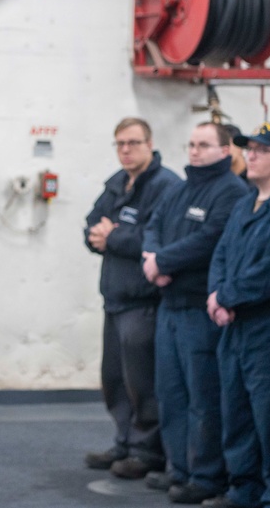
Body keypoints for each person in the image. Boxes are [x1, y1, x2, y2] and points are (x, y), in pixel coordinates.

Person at [142, 121, 249, 504]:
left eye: (204, 145)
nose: (195, 151)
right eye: (191, 144)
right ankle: (180, 468)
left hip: (198, 311)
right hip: (169, 309)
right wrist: (153, 257)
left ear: (226, 151)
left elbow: (209, 240)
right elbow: (152, 226)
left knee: (204, 397)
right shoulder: (178, 190)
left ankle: (206, 475)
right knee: (170, 394)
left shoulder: (232, 192)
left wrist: (163, 263)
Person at [204, 123, 270, 508]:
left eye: (263, 149)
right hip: (234, 324)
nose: (252, 155)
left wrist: (225, 296)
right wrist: (216, 294)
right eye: (250, 148)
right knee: (237, 410)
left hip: (267, 327)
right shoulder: (246, 200)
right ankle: (243, 489)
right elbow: (222, 253)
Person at [83, 118, 181, 478]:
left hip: (144, 300)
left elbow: (154, 239)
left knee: (142, 382)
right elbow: (91, 226)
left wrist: (115, 238)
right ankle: (124, 441)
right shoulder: (116, 184)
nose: (126, 150)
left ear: (149, 143)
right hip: (114, 296)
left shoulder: (166, 186)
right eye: (120, 143)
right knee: (114, 378)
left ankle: (146, 451)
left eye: (133, 143)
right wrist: (107, 236)